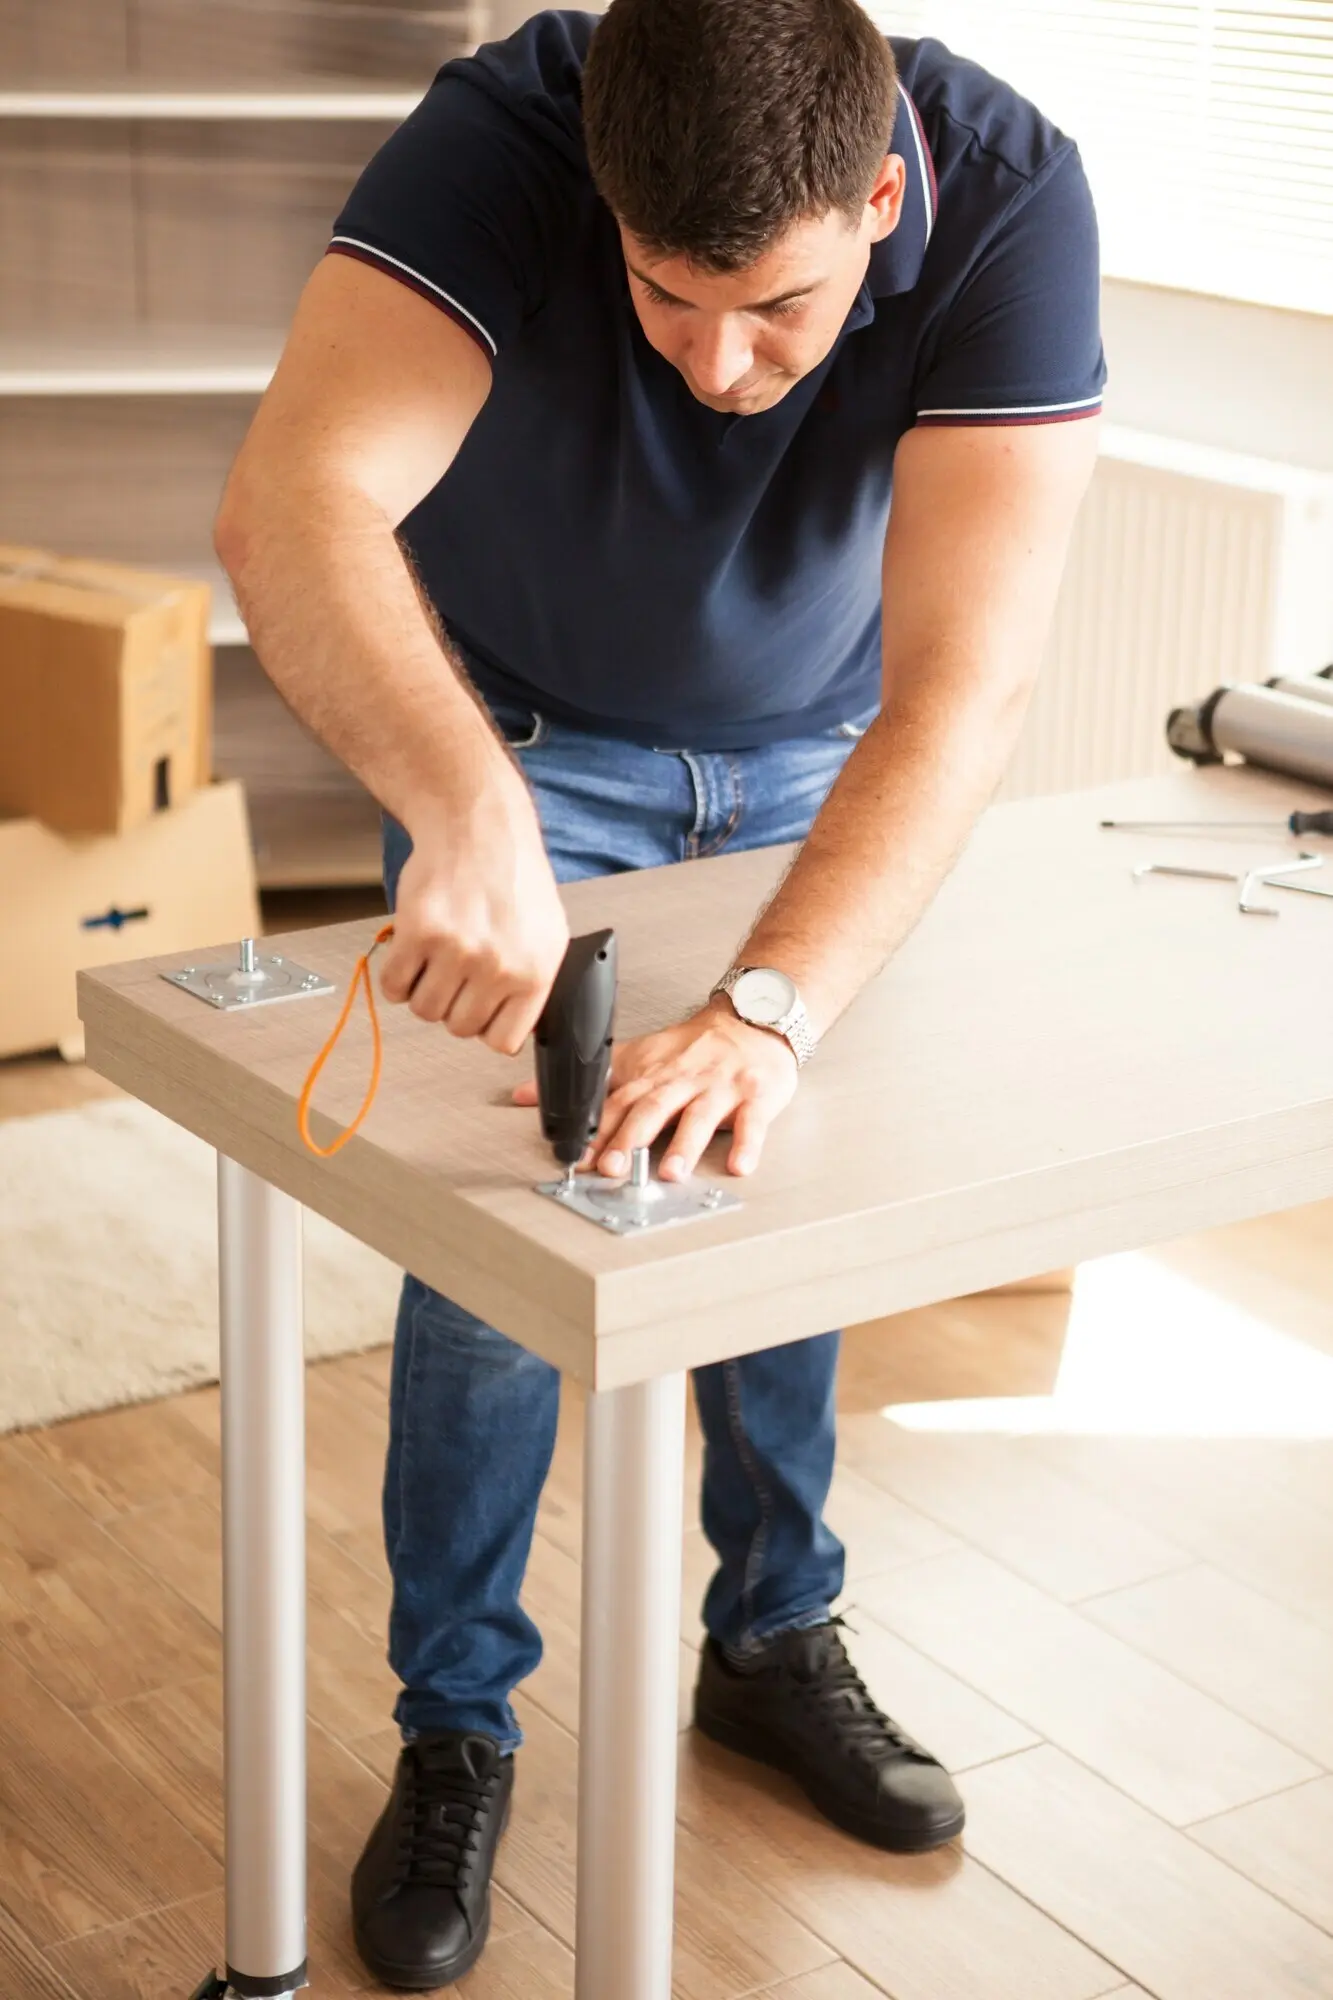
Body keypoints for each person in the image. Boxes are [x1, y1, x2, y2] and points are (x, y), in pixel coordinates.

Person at [216, 0, 1103, 1984]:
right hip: (519, 736)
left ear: (880, 201)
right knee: (500, 1253)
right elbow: (292, 503)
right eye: (664, 299)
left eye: (778, 309)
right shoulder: (504, 137)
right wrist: (469, 812)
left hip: (817, 753)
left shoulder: (1011, 195)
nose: (718, 366)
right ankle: (456, 1723)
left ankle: (774, 1639)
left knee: (760, 1190)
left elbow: (966, 684)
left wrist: (769, 1008)